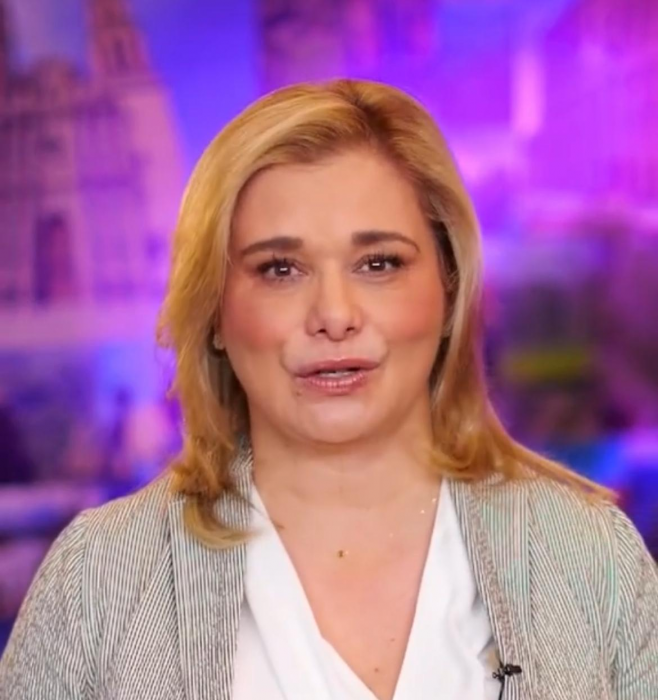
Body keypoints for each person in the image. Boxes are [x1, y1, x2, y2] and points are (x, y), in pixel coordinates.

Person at [0, 79, 656, 700]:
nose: (335, 315)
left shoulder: (587, 556)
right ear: (215, 312)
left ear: (449, 290)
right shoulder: (100, 580)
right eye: (280, 269)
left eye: (379, 263)